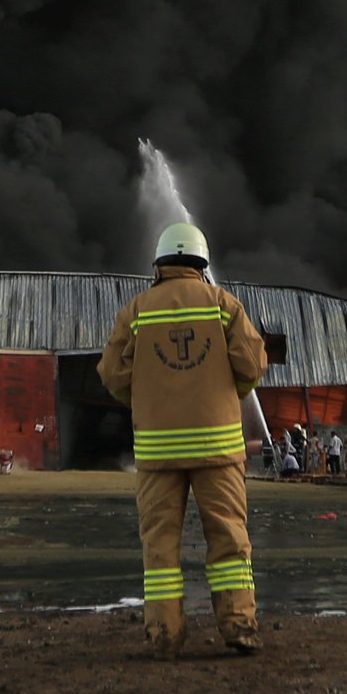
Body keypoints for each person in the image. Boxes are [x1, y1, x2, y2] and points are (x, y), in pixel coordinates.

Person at [101, 221, 271, 658]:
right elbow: (251, 366)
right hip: (218, 450)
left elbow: (113, 374)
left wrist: (144, 400)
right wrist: (222, 394)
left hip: (158, 454)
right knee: (230, 538)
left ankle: (165, 637)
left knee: (159, 548)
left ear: (159, 263)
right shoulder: (224, 305)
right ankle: (239, 627)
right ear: (201, 263)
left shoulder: (137, 310)